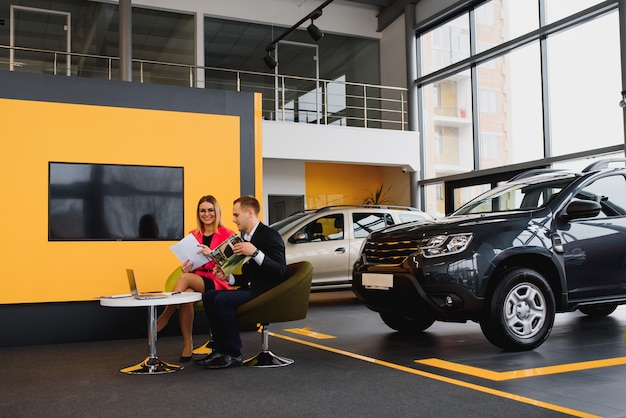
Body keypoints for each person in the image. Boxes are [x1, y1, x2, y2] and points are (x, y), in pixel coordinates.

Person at [196, 195, 286, 369]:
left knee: (222, 300)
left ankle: (234, 353)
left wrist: (255, 252)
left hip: (266, 292)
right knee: (209, 296)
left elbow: (280, 271)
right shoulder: (245, 238)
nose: (233, 219)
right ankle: (220, 350)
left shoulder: (270, 235)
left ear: (249, 213)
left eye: (236, 215)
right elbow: (248, 276)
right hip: (251, 288)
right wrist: (228, 278)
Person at [156, 195, 235, 362]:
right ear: (198, 213)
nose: (206, 214)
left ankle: (164, 317)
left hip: (217, 281)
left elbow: (230, 266)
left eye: (210, 210)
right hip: (198, 277)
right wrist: (187, 266)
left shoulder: (228, 235)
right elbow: (192, 263)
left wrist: (211, 254)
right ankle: (188, 344)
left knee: (185, 279)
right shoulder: (193, 234)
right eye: (203, 211)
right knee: (186, 296)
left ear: (217, 212)